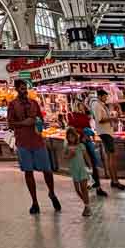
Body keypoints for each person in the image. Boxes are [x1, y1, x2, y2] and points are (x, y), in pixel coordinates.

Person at [8, 79, 61, 214]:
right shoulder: (13, 105)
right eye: (21, 88)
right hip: (23, 142)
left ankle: (52, 193)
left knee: (47, 170)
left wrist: (37, 122)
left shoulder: (34, 103)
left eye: (25, 88)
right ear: (16, 89)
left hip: (37, 141)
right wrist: (24, 123)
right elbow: (10, 124)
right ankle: (35, 202)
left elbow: (41, 120)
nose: (24, 90)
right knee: (28, 172)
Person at [88, 89, 125, 191]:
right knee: (111, 157)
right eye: (105, 96)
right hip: (105, 133)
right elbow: (99, 119)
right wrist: (112, 119)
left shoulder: (100, 105)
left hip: (107, 132)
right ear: (100, 96)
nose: (106, 98)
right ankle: (114, 181)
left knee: (111, 157)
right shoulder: (96, 105)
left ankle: (114, 180)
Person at [63, 127, 93, 217]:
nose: (71, 138)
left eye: (72, 136)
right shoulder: (67, 147)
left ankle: (87, 207)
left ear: (76, 137)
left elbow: (86, 156)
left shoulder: (81, 146)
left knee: (83, 189)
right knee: (77, 190)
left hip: (82, 169)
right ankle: (86, 204)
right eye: (69, 137)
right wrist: (70, 155)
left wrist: (90, 166)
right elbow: (64, 157)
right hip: (74, 170)